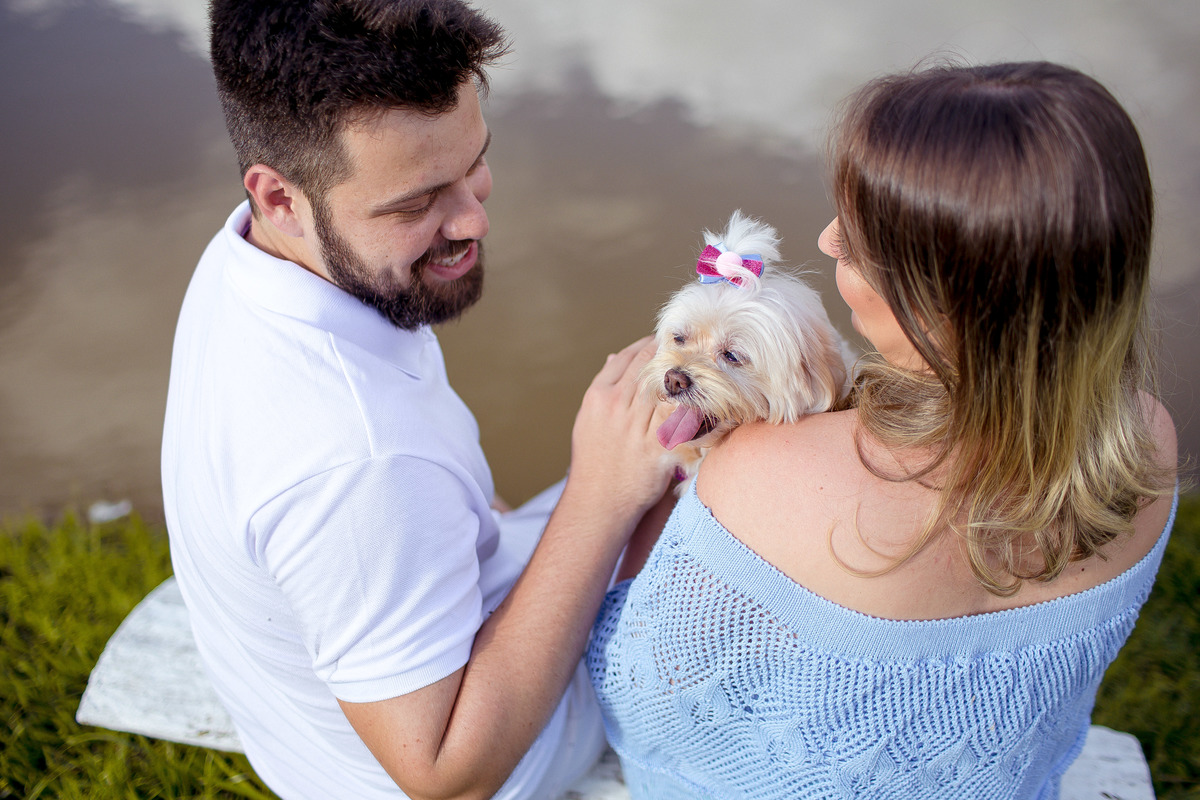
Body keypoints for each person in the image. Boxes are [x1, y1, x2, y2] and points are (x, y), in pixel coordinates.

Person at [587, 61, 1179, 799]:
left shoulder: (763, 473)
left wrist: (609, 494)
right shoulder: (1148, 446)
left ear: (944, 300)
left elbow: (642, 697)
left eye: (861, 244)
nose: (829, 240)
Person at [161, 2, 672, 799]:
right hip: (487, 757)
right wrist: (604, 498)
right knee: (724, 488)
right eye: (415, 203)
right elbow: (447, 778)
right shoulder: (357, 462)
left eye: (475, 163)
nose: (475, 219)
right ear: (280, 197)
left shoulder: (252, 256)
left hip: (331, 719)